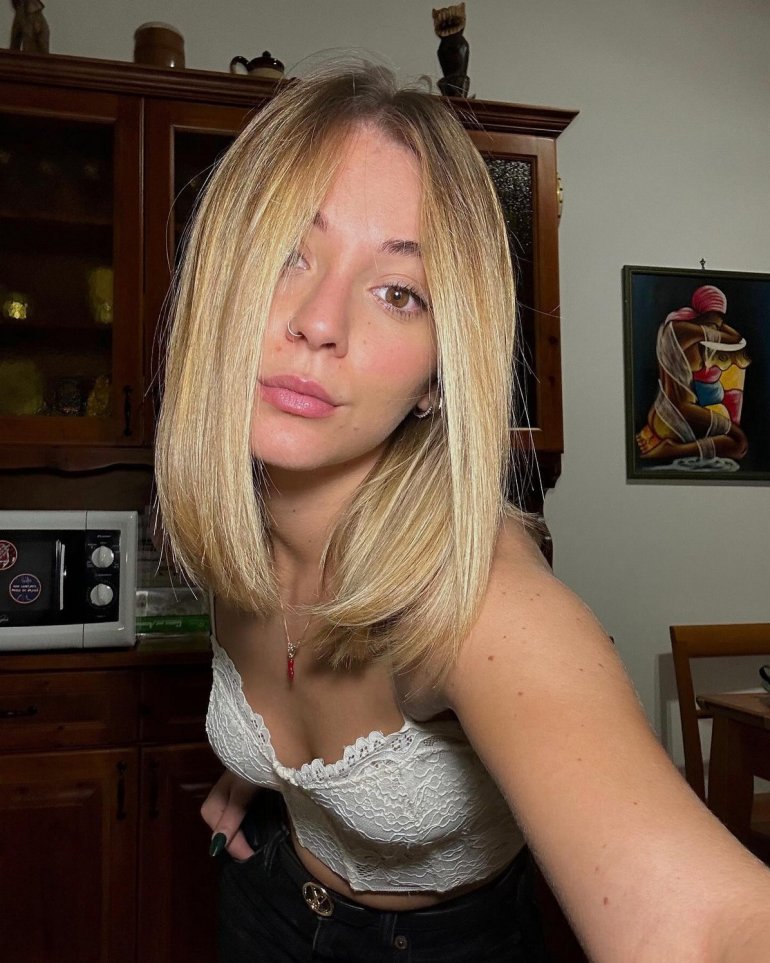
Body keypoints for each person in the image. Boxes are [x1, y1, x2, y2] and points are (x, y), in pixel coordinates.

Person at [155, 62, 770, 962]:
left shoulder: (479, 597)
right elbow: (294, 707)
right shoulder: (234, 514)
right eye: (288, 250)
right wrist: (268, 773)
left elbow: (705, 926)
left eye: (399, 292)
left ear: (437, 378)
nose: (320, 321)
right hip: (263, 899)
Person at [636, 284, 750, 468]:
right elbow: (734, 338)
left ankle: (674, 448)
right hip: (679, 411)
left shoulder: (682, 330)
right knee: (739, 443)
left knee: (738, 442)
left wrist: (715, 320)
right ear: (702, 314)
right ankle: (670, 450)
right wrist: (715, 323)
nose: (716, 329)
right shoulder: (682, 331)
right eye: (713, 322)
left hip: (670, 408)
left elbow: (734, 337)